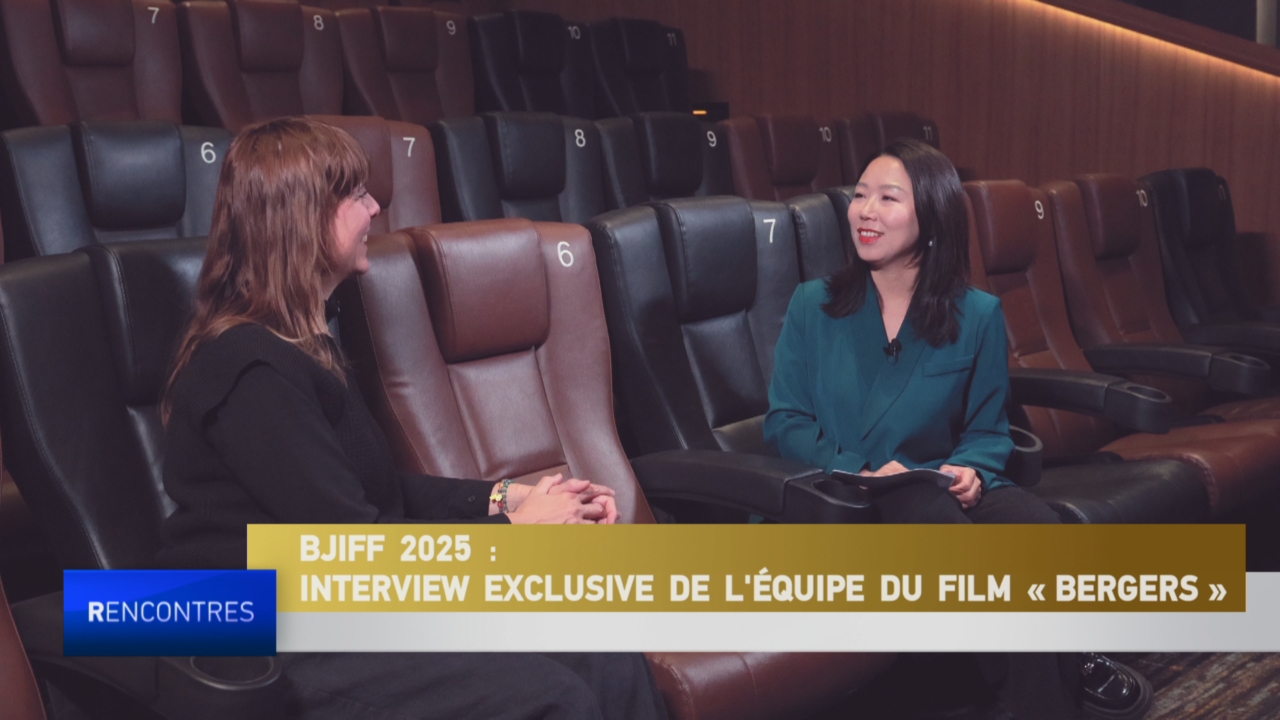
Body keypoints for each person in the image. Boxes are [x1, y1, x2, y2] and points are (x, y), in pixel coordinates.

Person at [157, 117, 667, 720]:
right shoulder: (250, 366)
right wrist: (517, 533)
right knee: (554, 698)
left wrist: (509, 497)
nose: (375, 208)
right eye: (356, 195)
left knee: (604, 650)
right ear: (303, 219)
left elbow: (381, 493)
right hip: (267, 634)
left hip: (343, 610)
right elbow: (356, 550)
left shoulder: (303, 345)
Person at [764, 138, 1150, 719]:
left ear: (932, 217)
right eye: (860, 195)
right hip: (842, 493)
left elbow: (988, 429)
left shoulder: (977, 314)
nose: (866, 211)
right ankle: (1066, 666)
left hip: (940, 487)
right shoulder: (812, 305)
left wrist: (972, 468)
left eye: (888, 198)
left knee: (1038, 529)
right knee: (934, 520)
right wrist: (862, 470)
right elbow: (785, 422)